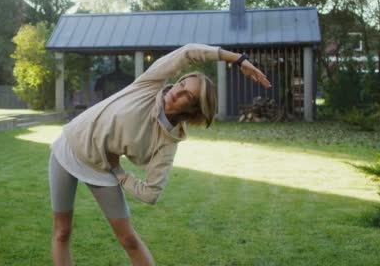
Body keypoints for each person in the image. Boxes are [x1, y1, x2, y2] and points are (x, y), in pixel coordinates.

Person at [49, 43, 271, 265]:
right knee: (62, 231)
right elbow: (188, 52)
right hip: (68, 145)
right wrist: (238, 59)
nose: (178, 91)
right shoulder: (149, 85)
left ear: (193, 110)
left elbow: (151, 193)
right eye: (182, 83)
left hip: (101, 167)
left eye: (188, 95)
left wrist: (119, 172)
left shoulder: (167, 144)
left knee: (129, 240)